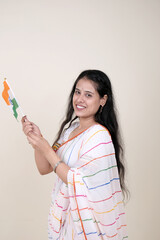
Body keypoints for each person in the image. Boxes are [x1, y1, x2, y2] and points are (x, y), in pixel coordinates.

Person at [22, 70, 128, 240]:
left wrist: (46, 148)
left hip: (87, 225)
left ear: (103, 100)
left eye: (88, 95)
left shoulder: (99, 136)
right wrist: (37, 140)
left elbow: (79, 181)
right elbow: (44, 168)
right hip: (68, 224)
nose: (79, 99)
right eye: (77, 92)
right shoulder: (70, 131)